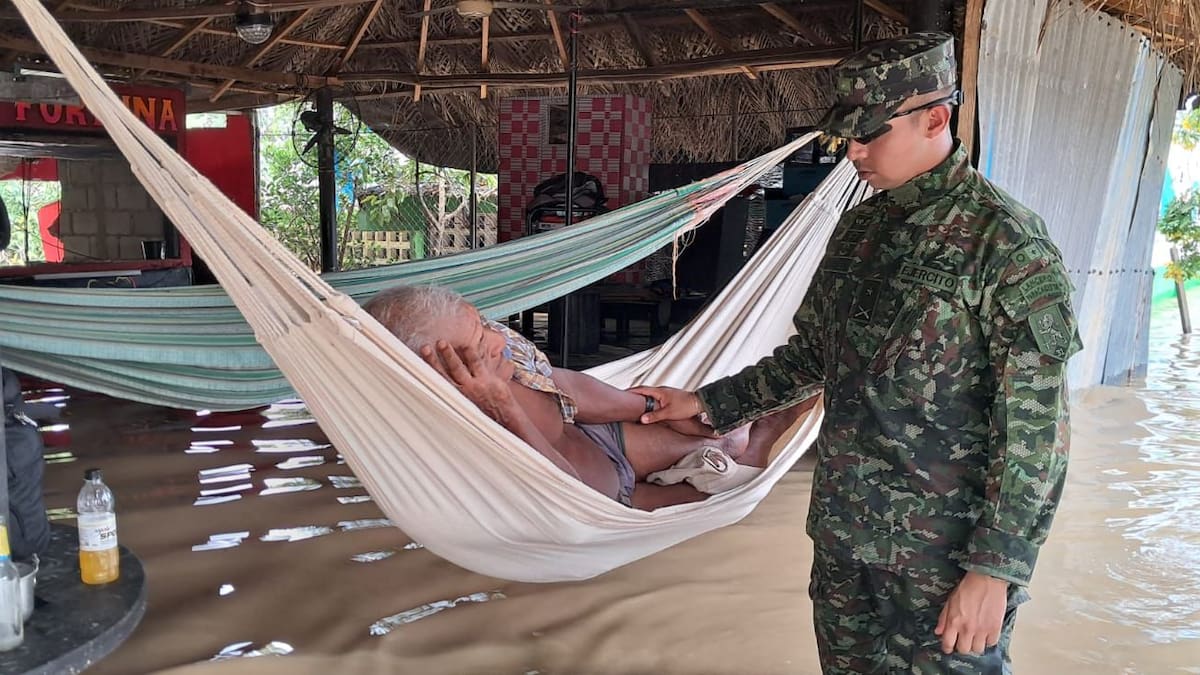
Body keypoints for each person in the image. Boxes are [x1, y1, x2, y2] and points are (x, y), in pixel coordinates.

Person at [634, 32, 1082, 673]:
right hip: (846, 544)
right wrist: (710, 404)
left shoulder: (1006, 243)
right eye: (846, 135)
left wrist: (996, 571)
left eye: (870, 133)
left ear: (935, 118)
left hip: (942, 563)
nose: (853, 152)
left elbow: (1036, 432)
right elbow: (813, 356)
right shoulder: (859, 230)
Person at [364, 285, 812, 511]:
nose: (496, 341)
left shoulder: (495, 344)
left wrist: (652, 406)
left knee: (718, 444)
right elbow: (560, 494)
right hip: (599, 496)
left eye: (484, 325)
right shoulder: (447, 426)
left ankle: (729, 437)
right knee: (717, 495)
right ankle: (757, 444)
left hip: (595, 433)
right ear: (433, 373)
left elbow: (563, 387)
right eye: (478, 345)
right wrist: (501, 406)